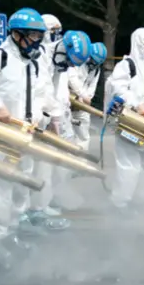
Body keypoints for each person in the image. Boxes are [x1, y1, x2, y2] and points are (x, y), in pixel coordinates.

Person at [0, 7, 48, 256]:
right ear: (17, 35)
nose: (37, 41)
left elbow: (40, 94)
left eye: (40, 37)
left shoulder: (34, 63)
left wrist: (38, 118)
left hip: (25, 134)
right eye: (33, 35)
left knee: (20, 186)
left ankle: (12, 233)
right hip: (0, 134)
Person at [27, 26, 92, 226]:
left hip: (49, 120)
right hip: (33, 120)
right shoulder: (41, 58)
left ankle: (39, 208)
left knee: (45, 167)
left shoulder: (60, 64)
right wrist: (47, 116)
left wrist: (57, 119)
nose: (68, 65)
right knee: (29, 168)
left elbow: (58, 94)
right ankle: (25, 213)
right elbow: (40, 91)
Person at [106, 27, 144, 212]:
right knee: (129, 165)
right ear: (139, 42)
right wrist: (135, 104)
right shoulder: (127, 65)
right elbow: (118, 88)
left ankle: (139, 201)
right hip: (130, 122)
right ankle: (120, 203)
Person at [68, 42, 107, 151]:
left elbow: (92, 85)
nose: (94, 64)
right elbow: (71, 78)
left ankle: (81, 158)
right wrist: (82, 95)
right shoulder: (77, 61)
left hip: (82, 104)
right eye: (93, 61)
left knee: (83, 134)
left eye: (97, 63)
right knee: (65, 131)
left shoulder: (96, 69)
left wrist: (88, 97)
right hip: (69, 99)